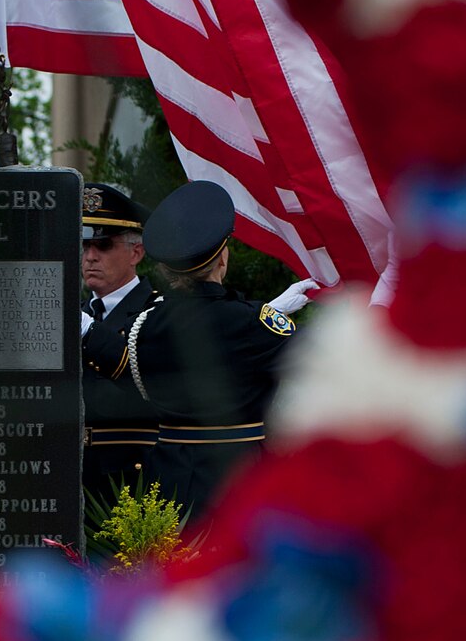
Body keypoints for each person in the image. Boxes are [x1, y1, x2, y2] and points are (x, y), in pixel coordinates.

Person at [81, 181, 320, 519]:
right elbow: (318, 358)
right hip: (240, 480)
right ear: (223, 258)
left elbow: (120, 363)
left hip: (169, 486)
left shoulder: (145, 325)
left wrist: (85, 330)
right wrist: (270, 318)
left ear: (166, 267)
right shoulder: (252, 323)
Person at [77, 183, 160, 509]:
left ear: (136, 253)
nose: (90, 256)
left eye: (103, 245)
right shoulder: (77, 315)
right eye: (84, 245)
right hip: (74, 477)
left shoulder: (158, 312)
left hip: (132, 479)